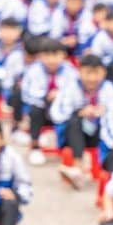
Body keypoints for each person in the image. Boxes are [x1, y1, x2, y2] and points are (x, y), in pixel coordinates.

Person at [50, 54, 113, 187]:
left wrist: (101, 112)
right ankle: (77, 167)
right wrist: (80, 112)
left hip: (100, 134)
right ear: (80, 71)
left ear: (103, 73)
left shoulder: (108, 88)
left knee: (109, 123)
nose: (92, 78)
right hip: (76, 134)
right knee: (74, 121)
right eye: (88, 73)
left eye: (96, 73)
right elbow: (57, 114)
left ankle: (97, 169)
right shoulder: (71, 87)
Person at [19, 37, 76, 165]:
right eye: (47, 55)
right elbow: (27, 94)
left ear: (63, 55)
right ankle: (35, 146)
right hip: (42, 108)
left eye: (55, 55)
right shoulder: (33, 71)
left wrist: (60, 95)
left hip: (63, 109)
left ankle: (67, 148)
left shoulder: (70, 71)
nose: (51, 60)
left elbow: (75, 94)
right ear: (40, 56)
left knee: (74, 118)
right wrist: (46, 96)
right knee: (35, 110)